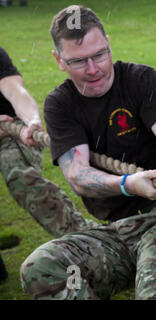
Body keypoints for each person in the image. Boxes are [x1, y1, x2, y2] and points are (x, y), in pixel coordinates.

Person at [20, 5, 156, 300]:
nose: (94, 69)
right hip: (117, 233)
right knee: (41, 267)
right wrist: (127, 185)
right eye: (79, 61)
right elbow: (78, 174)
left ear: (109, 43)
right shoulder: (60, 104)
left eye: (99, 54)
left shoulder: (141, 79)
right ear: (59, 60)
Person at [0, 46, 93, 282]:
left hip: (9, 132)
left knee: (22, 178)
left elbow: (14, 89)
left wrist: (31, 120)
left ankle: (88, 241)